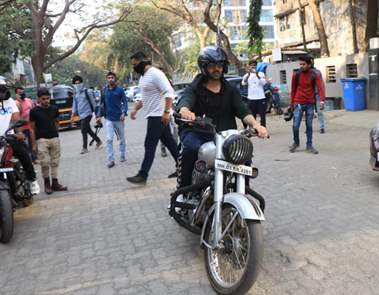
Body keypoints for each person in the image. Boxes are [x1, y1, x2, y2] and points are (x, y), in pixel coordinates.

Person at [176, 46, 268, 189]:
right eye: (212, 66)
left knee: (243, 153)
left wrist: (256, 125)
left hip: (225, 135)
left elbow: (243, 110)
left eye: (219, 65)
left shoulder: (230, 89)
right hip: (198, 133)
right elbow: (186, 100)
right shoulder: (195, 87)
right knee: (191, 150)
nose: (216, 69)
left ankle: (243, 189)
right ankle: (184, 190)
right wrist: (185, 110)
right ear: (204, 67)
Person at [126, 52, 178, 184]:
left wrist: (166, 112)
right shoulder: (144, 77)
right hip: (153, 115)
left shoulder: (155, 74)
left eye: (135, 64)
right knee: (171, 144)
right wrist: (136, 108)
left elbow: (169, 92)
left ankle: (143, 175)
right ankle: (184, 168)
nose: (134, 67)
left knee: (149, 145)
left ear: (143, 61)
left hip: (158, 116)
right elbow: (146, 97)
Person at [0, 81, 40, 195]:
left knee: (23, 153)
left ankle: (32, 180)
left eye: (3, 89)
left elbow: (16, 120)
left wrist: (19, 133)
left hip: (9, 137)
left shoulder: (10, 102)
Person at [30, 88, 67, 195]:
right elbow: (31, 128)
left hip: (54, 138)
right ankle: (47, 184)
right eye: (43, 99)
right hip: (41, 140)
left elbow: (57, 122)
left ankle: (55, 183)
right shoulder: (34, 111)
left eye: (48, 98)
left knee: (55, 162)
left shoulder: (54, 108)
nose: (46, 101)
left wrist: (57, 134)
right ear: (38, 99)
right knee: (45, 162)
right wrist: (33, 144)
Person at [289, 55, 325, 154]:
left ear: (309, 64)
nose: (301, 66)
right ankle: (296, 142)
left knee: (309, 125)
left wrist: (322, 100)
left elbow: (320, 87)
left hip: (310, 103)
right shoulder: (296, 74)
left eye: (303, 64)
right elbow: (293, 90)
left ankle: (309, 145)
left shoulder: (314, 74)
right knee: (295, 125)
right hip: (298, 103)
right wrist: (291, 104)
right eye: (300, 64)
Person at [97, 72, 128, 168]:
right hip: (109, 119)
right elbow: (101, 104)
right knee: (109, 139)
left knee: (122, 138)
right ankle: (111, 159)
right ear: (107, 79)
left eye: (112, 77)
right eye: (109, 78)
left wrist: (124, 112)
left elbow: (125, 102)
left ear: (115, 79)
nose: (110, 79)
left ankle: (122, 155)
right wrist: (98, 116)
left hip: (119, 118)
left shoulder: (120, 90)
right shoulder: (104, 91)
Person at [71, 75, 102, 154]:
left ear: (82, 83)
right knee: (88, 130)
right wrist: (72, 115)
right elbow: (75, 105)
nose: (77, 85)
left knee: (83, 130)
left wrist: (97, 116)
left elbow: (94, 103)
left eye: (79, 83)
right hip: (81, 115)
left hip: (88, 114)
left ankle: (84, 148)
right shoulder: (75, 94)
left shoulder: (88, 92)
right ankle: (98, 141)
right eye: (75, 83)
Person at [242, 59, 267, 127]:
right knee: (252, 115)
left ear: (256, 66)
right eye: (251, 66)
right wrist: (248, 75)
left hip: (261, 97)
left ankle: (263, 129)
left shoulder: (261, 74)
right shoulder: (246, 75)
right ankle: (254, 128)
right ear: (249, 66)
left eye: (254, 66)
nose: (253, 67)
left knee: (262, 115)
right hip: (251, 98)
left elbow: (264, 83)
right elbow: (243, 83)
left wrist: (257, 75)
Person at [15, 86, 36, 161]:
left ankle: (34, 158)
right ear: (16, 94)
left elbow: (33, 110)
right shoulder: (16, 103)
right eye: (19, 93)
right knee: (24, 144)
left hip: (30, 126)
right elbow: (19, 111)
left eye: (23, 92)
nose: (22, 94)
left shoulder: (29, 100)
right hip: (21, 128)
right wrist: (19, 100)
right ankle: (28, 159)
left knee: (32, 142)